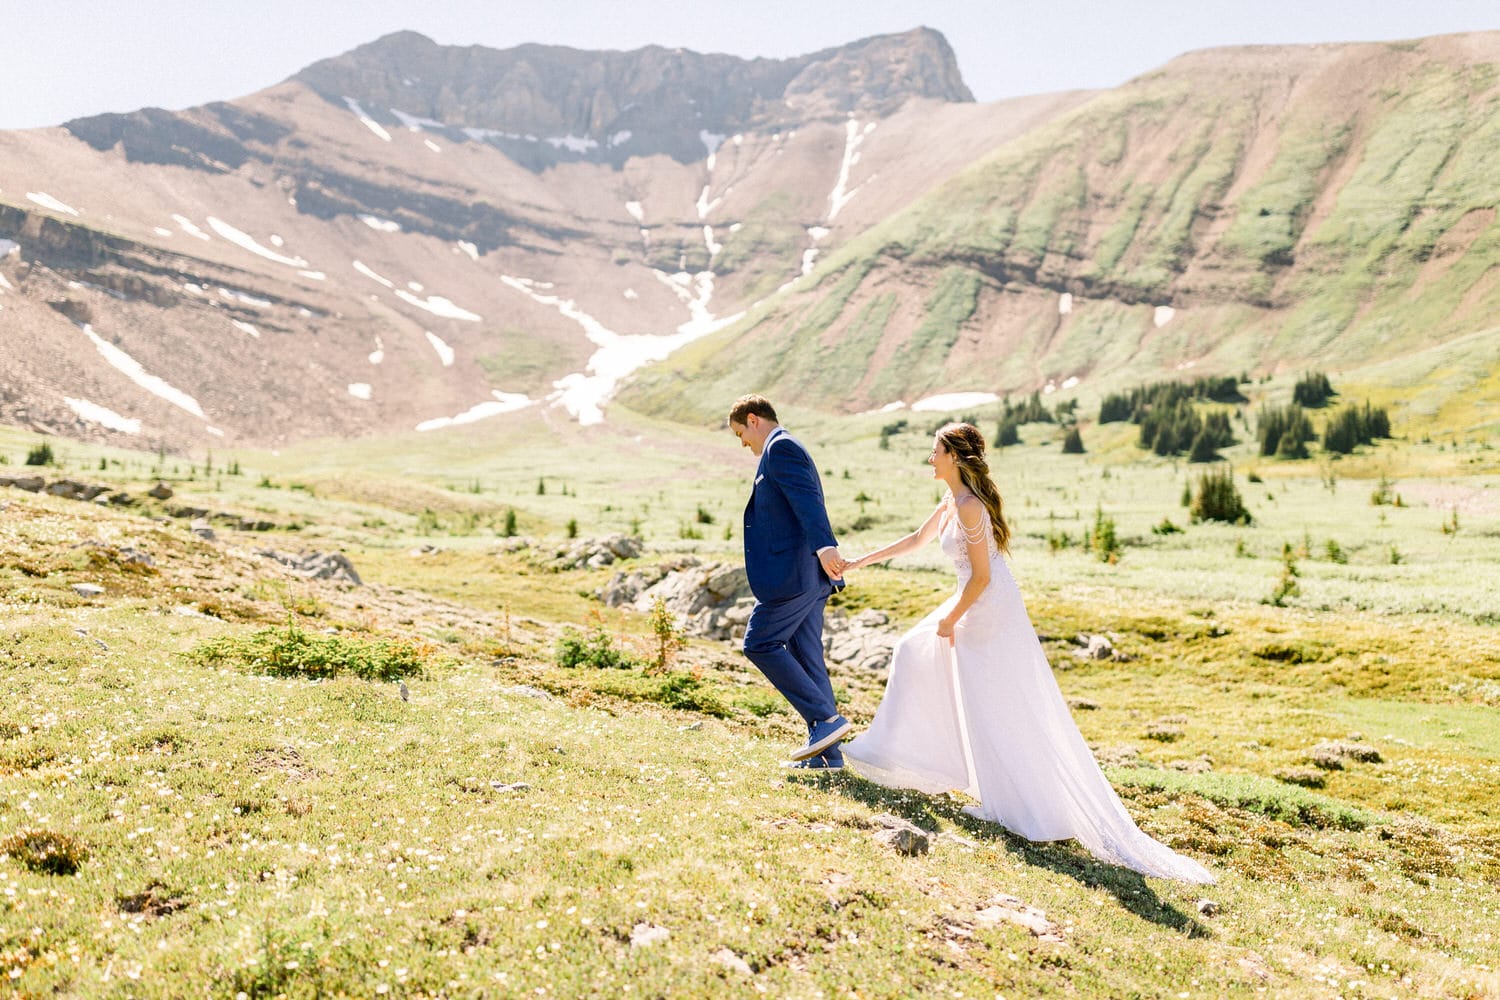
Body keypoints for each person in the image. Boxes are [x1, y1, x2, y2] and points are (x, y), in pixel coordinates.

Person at [841, 422, 1215, 883]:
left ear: (954, 457)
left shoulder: (971, 508)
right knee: (918, 656)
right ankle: (941, 769)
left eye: (935, 450)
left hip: (988, 609)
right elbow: (915, 541)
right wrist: (858, 561)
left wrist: (951, 619)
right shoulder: (950, 502)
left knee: (991, 699)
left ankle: (1022, 807)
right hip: (971, 602)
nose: (930, 457)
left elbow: (982, 579)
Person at [729, 394, 852, 769]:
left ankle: (825, 720)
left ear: (753, 420)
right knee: (807, 658)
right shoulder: (779, 450)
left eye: (740, 434)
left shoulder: (781, 448)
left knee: (760, 643)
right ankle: (827, 757)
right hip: (806, 577)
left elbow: (808, 501)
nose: (743, 443)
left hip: (795, 576)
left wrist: (826, 546)